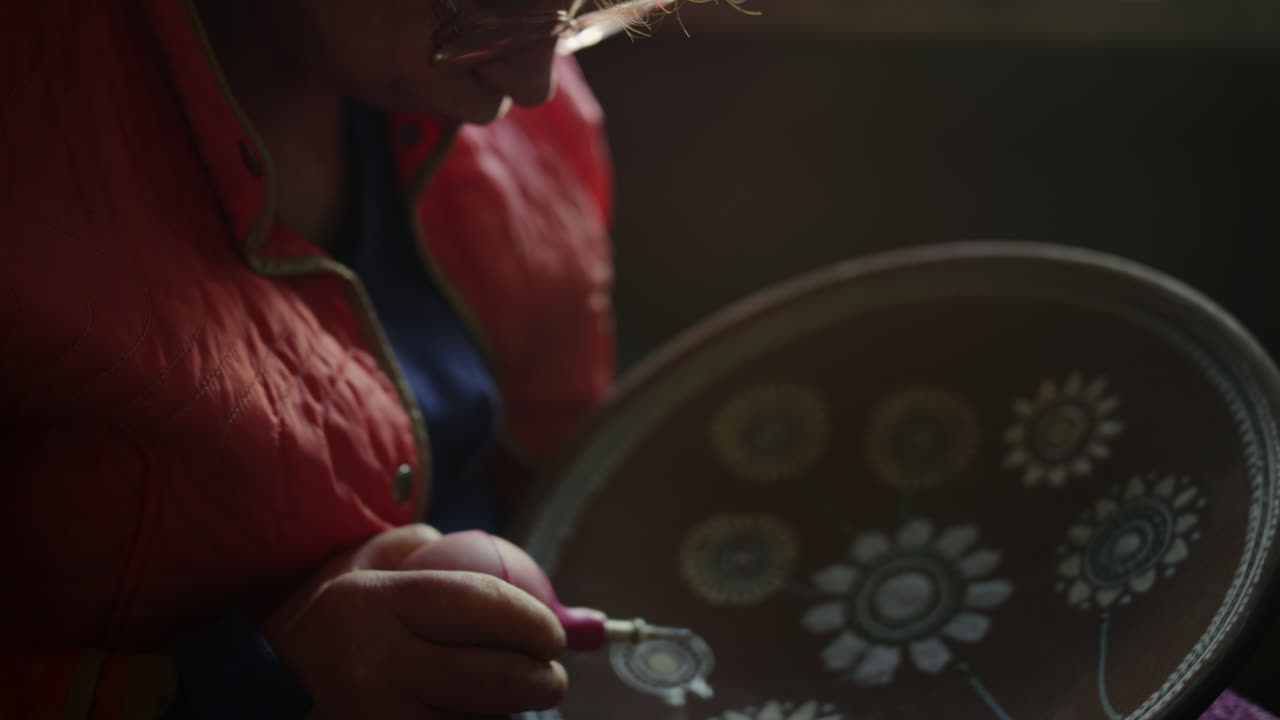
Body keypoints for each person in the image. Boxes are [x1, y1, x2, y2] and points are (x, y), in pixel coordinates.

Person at [1, 0, 625, 716]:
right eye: (479, 12)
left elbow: (568, 462)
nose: (540, 81)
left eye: (585, 15)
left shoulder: (518, 92)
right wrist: (257, 685)